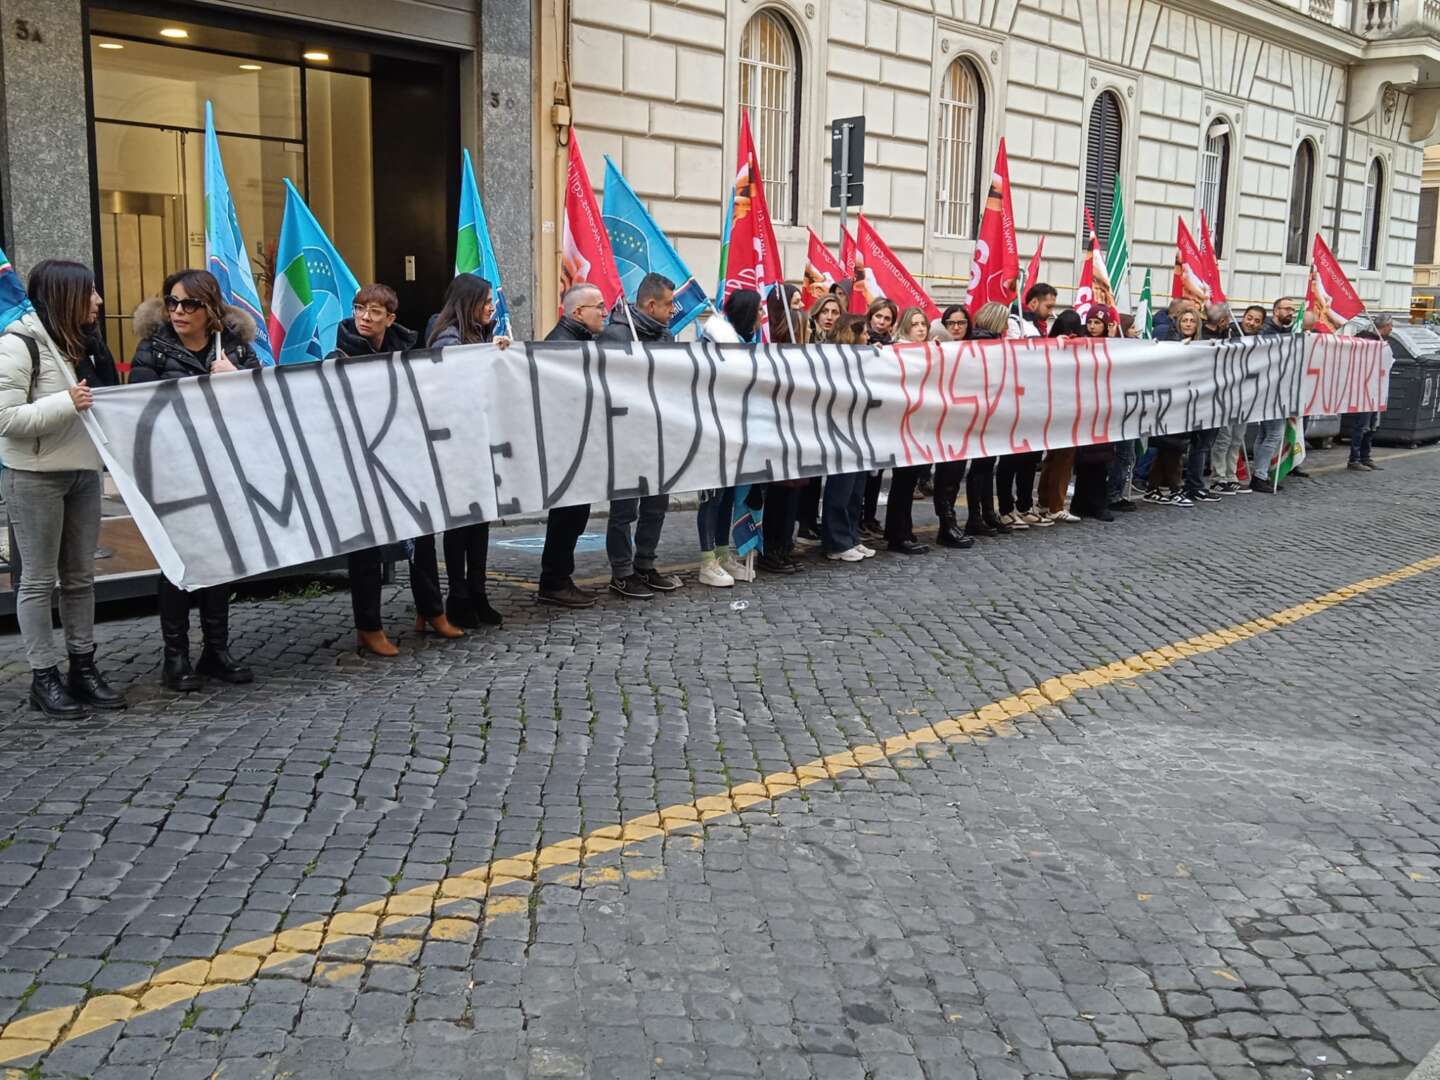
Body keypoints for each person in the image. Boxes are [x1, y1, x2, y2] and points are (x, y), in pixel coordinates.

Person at [0, 260, 125, 717]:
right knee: (36, 580)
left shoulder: (86, 346)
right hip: (34, 477)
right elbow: (5, 420)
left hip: (83, 475)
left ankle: (83, 667)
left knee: (80, 579)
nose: (98, 301)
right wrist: (64, 403)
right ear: (64, 297)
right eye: (89, 292)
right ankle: (44, 677)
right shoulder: (18, 345)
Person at [130, 269, 261, 690]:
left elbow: (262, 408)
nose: (179, 311)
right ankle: (176, 656)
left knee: (219, 560)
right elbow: (139, 408)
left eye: (189, 304)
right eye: (172, 302)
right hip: (173, 471)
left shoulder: (237, 351)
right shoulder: (153, 350)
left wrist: (235, 384)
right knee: (177, 562)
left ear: (210, 309)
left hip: (223, 468)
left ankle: (216, 651)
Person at [327, 283, 462, 650]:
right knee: (367, 546)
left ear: (390, 318)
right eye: (359, 309)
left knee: (422, 534)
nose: (364, 318)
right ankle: (369, 627)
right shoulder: (338, 353)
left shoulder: (407, 350)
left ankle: (431, 611)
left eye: (373, 312)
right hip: (361, 462)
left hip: (403, 456)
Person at [422, 274, 505, 628]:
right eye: (486, 301)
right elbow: (454, 382)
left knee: (479, 519)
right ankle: (458, 595)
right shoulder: (447, 337)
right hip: (455, 442)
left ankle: (477, 591)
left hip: (477, 437)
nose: (491, 306)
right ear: (468, 303)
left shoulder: (480, 333)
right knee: (461, 523)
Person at [598, 272, 685, 599]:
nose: (672, 311)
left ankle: (645, 563)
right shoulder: (616, 336)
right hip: (625, 437)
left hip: (658, 437)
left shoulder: (665, 336)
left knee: (656, 506)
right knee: (624, 510)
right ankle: (622, 572)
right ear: (651, 304)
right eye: (668, 305)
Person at [537, 283, 609, 607]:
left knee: (575, 516)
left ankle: (560, 578)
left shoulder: (579, 342)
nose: (605, 312)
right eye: (599, 306)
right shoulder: (562, 346)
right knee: (567, 517)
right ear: (578, 312)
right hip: (568, 449)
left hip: (578, 446)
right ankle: (554, 581)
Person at [758, 285, 808, 575]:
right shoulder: (773, 354)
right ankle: (771, 549)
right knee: (779, 495)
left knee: (792, 495)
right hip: (779, 434)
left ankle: (784, 546)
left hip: (798, 433)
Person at [959, 303, 1014, 538]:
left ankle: (987, 513)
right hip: (981, 410)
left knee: (987, 463)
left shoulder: (993, 344)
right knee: (981, 465)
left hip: (990, 409)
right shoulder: (982, 345)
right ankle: (975, 516)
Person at [881, 307, 932, 555]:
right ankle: (898, 535)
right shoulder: (899, 352)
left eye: (923, 323)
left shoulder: (924, 351)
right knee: (902, 482)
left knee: (908, 481)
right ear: (905, 328)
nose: (921, 328)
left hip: (917, 425)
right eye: (915, 324)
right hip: (903, 426)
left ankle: (902, 530)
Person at [796, 294, 844, 541]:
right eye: (826, 311)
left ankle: (811, 519)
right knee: (810, 473)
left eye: (835, 312)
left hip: (830, 414)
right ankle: (804, 521)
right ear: (816, 313)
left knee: (821, 470)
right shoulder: (806, 337)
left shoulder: (840, 342)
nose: (830, 317)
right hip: (808, 414)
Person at [1036, 310, 1085, 523]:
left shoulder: (1047, 346)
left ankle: (1044, 502)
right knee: (1064, 458)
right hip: (1067, 407)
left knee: (1052, 457)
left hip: (1050, 405)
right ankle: (1056, 505)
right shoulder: (1075, 349)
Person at [1070, 309, 1117, 521]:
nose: (1092, 326)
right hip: (1085, 406)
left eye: (1097, 322)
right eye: (1090, 322)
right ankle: (1080, 503)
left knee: (1101, 459)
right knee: (1085, 459)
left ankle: (1099, 503)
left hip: (1105, 407)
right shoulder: (1080, 344)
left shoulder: (1113, 346)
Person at [1249, 298, 1298, 493]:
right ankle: (1259, 475)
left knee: (1265, 434)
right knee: (1274, 434)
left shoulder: (1285, 331)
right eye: (1287, 309)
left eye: (1293, 309)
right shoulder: (1266, 332)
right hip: (1269, 391)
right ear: (1276, 310)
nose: (1291, 313)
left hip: (1278, 389)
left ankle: (1261, 473)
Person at [1349, 313, 1391, 472]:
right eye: (1390, 326)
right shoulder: (1365, 339)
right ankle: (1355, 458)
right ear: (1385, 326)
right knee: (1362, 425)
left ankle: (1366, 456)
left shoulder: (1381, 340)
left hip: (1376, 389)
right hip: (1364, 389)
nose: (1391, 329)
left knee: (1372, 425)